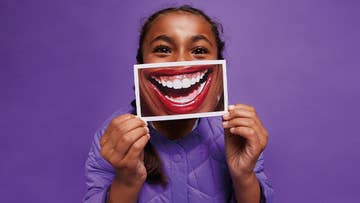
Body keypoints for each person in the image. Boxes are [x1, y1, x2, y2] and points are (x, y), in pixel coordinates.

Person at [84, 5, 274, 203]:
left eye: (199, 50)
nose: (181, 62)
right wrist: (127, 181)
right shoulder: (114, 134)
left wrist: (243, 175)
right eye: (163, 49)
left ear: (219, 64)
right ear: (140, 63)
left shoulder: (235, 134)